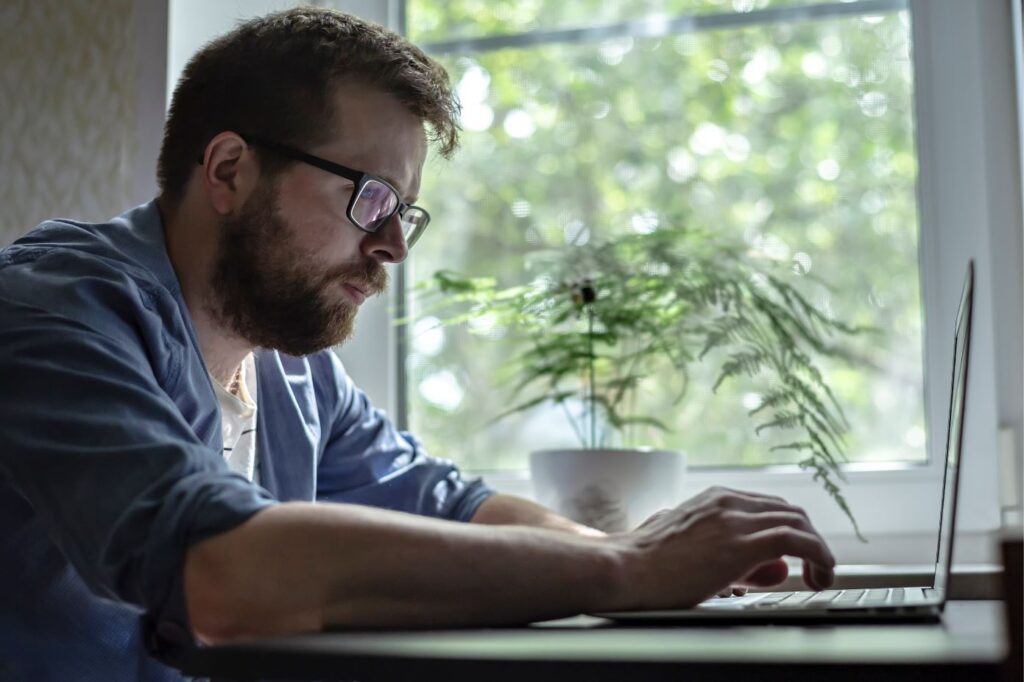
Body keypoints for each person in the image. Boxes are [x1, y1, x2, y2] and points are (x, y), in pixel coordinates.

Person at [0, 8, 835, 680]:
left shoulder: (294, 370)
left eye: (406, 210)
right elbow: (221, 573)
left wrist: (638, 552)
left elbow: (449, 505)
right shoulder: (55, 311)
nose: (395, 243)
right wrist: (625, 574)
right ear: (228, 171)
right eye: (370, 198)